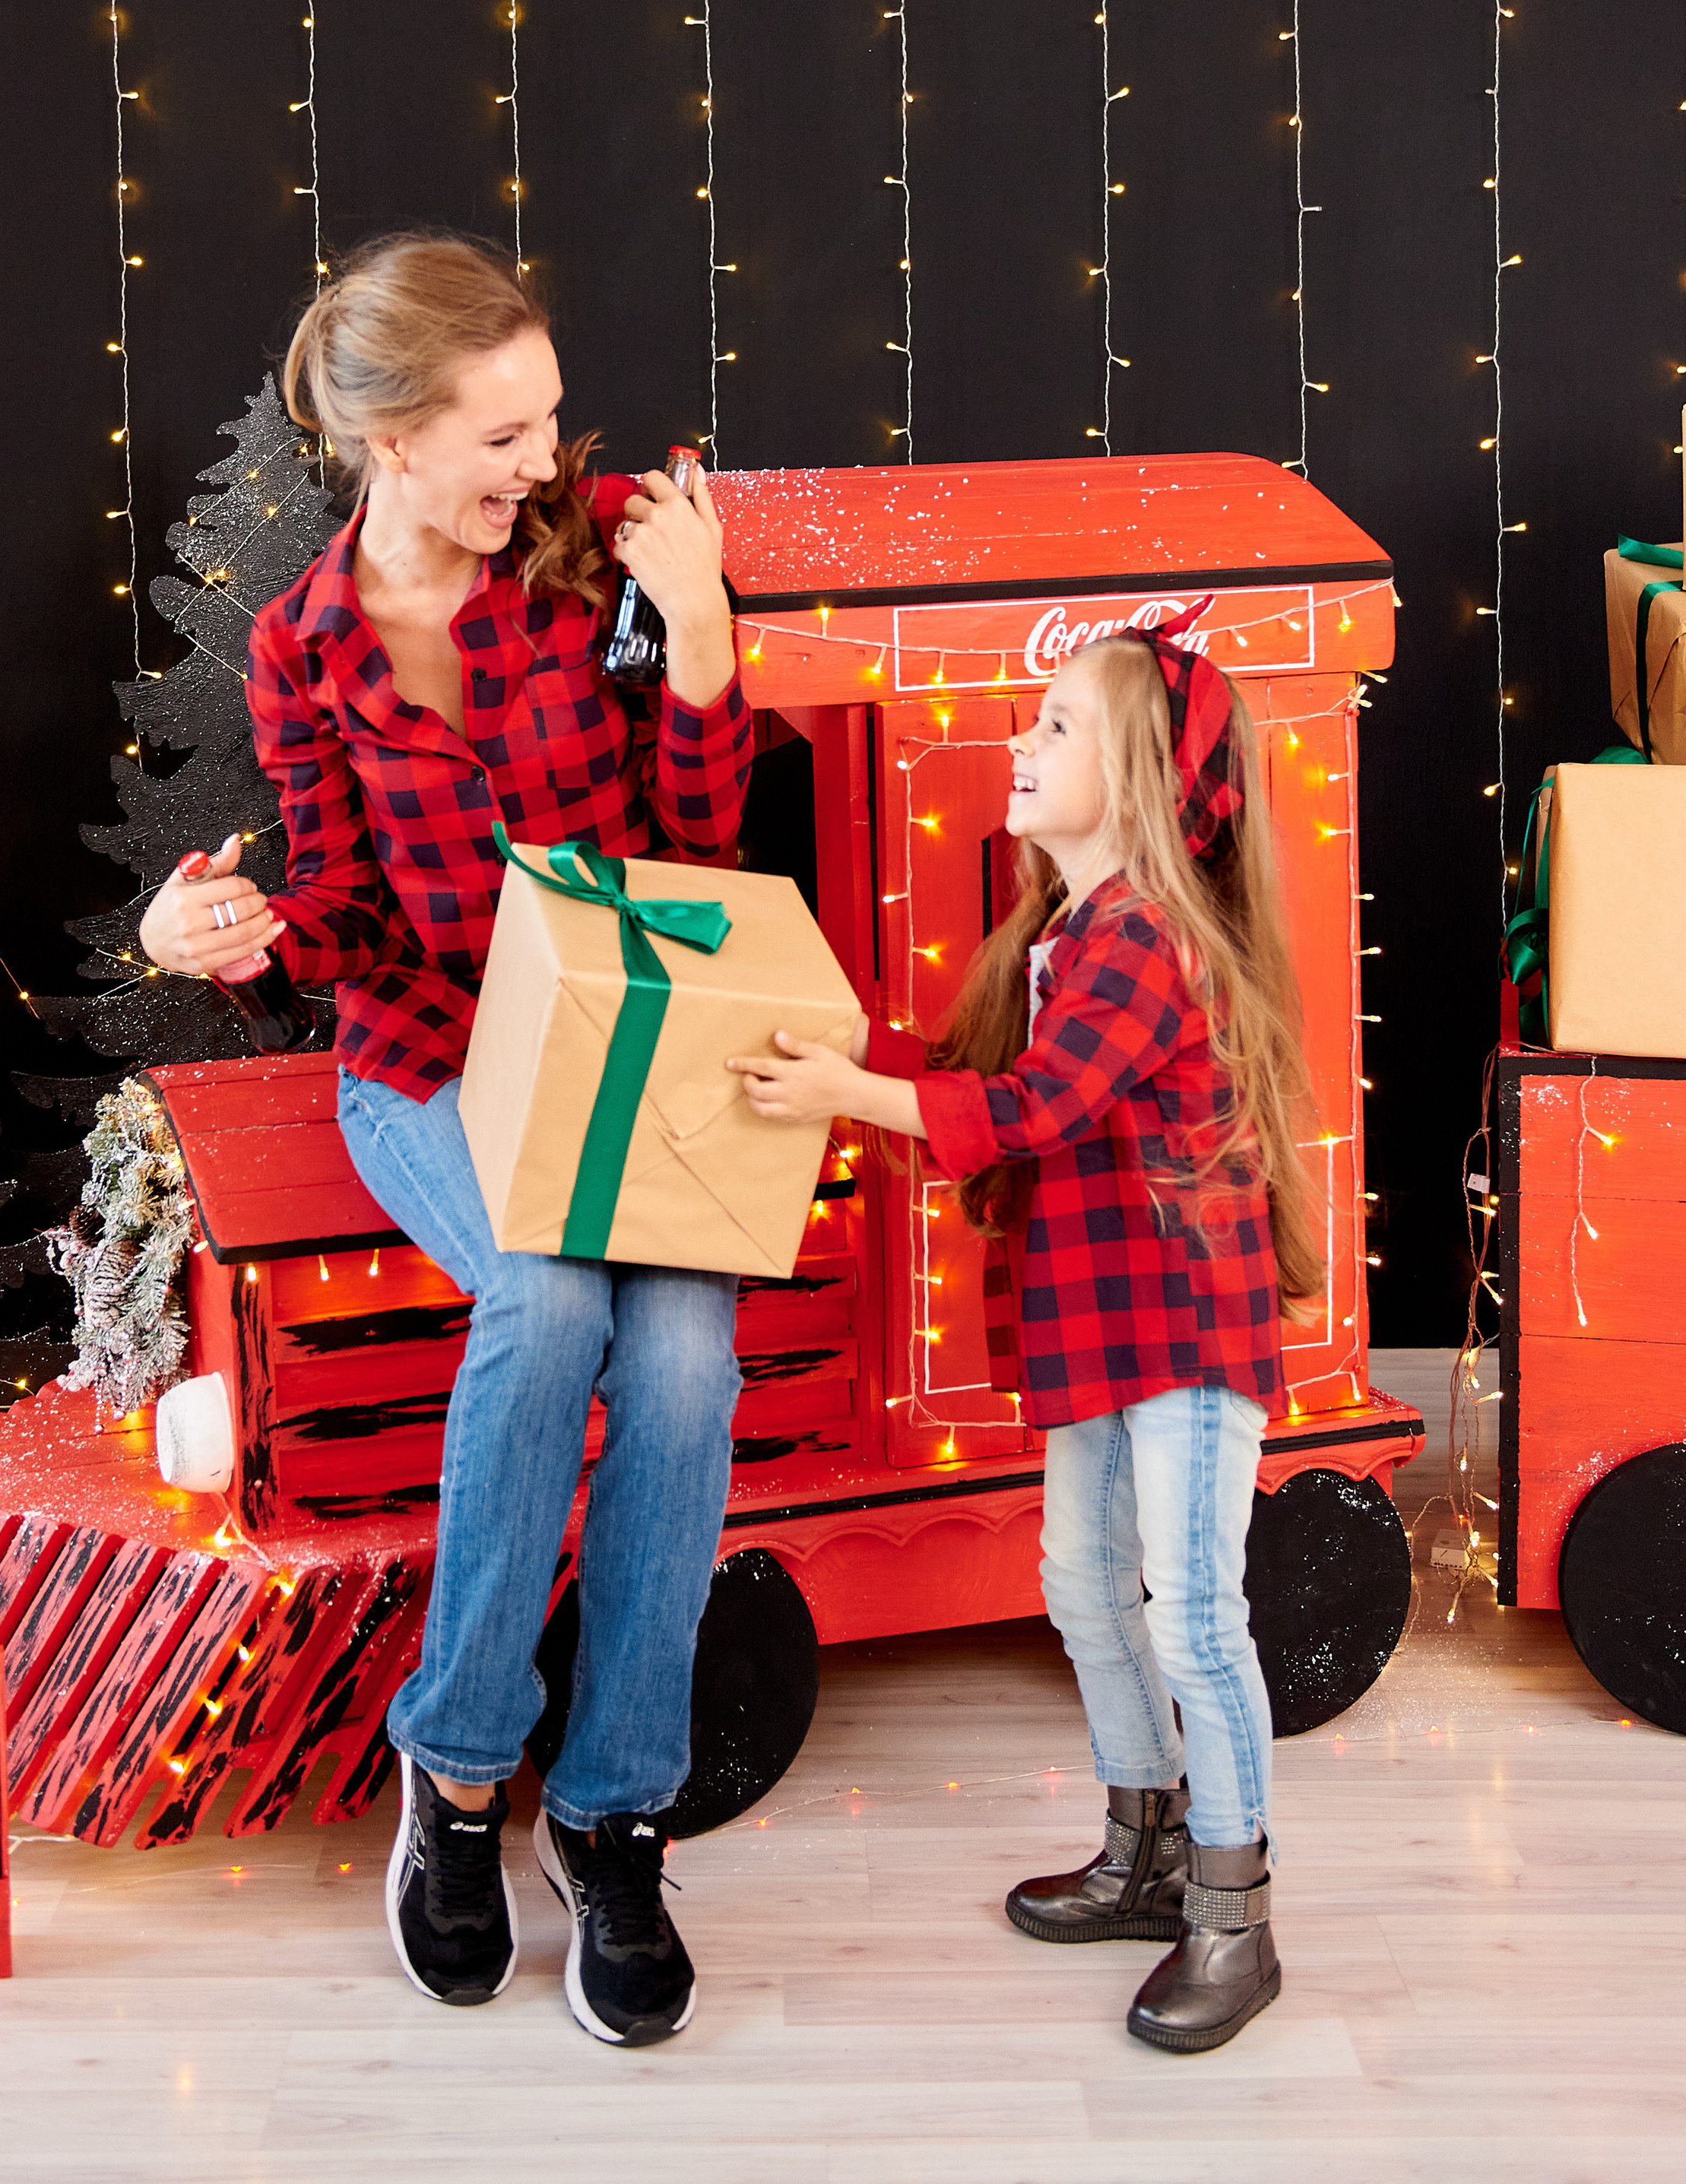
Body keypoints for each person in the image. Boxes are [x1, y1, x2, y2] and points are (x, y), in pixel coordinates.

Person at [138, 231, 751, 2049]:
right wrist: (227, 940)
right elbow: (337, 912)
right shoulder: (302, 648)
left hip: (625, 1044)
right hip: (427, 1059)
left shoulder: (605, 545)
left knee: (689, 1355)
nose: (545, 464)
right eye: (501, 436)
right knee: (554, 1304)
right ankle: (461, 1774)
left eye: (552, 418)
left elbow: (694, 848)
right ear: (389, 443)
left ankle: (612, 1807)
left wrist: (706, 633)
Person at [730, 620, 1321, 2056]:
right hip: (1096, 1320)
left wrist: (838, 1095)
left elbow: (1028, 1113)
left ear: (1134, 777)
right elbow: (981, 1070)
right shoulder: (1066, 934)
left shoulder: (1148, 939)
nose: (1022, 741)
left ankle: (1234, 1910)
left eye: (1057, 726)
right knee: (1076, 1584)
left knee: (1190, 1608)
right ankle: (1144, 1846)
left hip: (1180, 1320)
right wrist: (846, 1049)